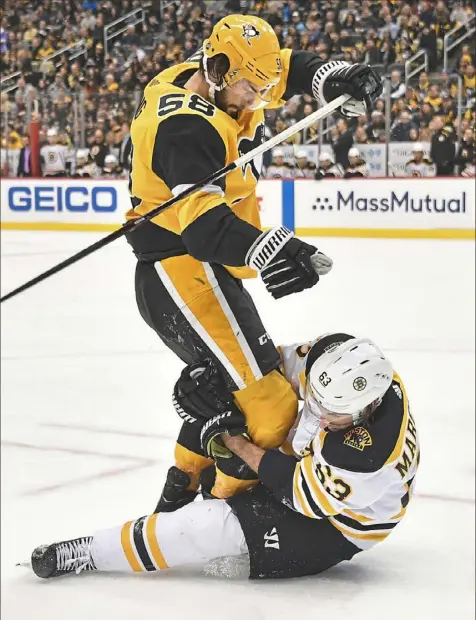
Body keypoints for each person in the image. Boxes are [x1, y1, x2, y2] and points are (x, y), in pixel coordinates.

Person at [123, 14, 382, 509]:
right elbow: (203, 230)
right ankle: (219, 512)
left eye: (262, 90)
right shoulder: (182, 128)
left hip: (203, 269)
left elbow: (288, 68)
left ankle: (182, 490)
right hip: (180, 270)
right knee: (271, 409)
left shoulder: (225, 76)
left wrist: (338, 74)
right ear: (218, 68)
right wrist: (275, 248)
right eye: (249, 88)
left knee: (227, 396)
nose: (257, 101)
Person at [29, 332, 419, 581]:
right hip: (312, 473)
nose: (315, 410)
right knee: (231, 409)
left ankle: (88, 553)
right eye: (313, 396)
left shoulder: (363, 455)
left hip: (336, 522)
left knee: (205, 526)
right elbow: (271, 373)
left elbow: (298, 493)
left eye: (330, 412)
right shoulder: (334, 360)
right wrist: (207, 386)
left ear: (365, 410)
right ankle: (188, 488)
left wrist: (235, 444)